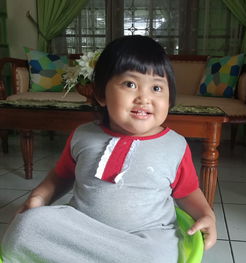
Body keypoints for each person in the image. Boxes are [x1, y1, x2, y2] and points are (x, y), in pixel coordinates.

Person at [1, 35, 217, 263]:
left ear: (169, 98)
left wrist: (206, 215)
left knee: (156, 257)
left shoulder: (174, 145)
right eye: (130, 84)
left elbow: (187, 191)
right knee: (26, 226)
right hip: (82, 230)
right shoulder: (82, 135)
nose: (144, 97)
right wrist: (39, 197)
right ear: (101, 94)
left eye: (156, 87)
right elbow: (61, 175)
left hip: (144, 239)